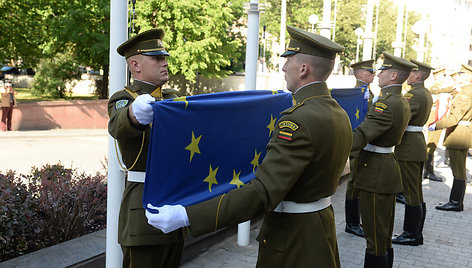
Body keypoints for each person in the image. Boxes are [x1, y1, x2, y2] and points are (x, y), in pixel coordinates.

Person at [145, 26, 352, 268]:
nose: (284, 67)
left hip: (293, 240)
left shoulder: (296, 121)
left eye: (289, 61)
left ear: (303, 69)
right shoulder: (338, 112)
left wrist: (187, 215)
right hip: (319, 229)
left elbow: (263, 191)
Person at [107, 28, 187, 268]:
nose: (165, 62)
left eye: (164, 57)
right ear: (135, 64)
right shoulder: (125, 99)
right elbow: (118, 126)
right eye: (157, 58)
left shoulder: (174, 98)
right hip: (144, 210)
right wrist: (134, 115)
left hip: (176, 206)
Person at [351, 52, 414, 267]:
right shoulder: (399, 100)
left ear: (394, 75)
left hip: (376, 174)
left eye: (383, 71)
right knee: (384, 237)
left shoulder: (385, 104)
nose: (378, 74)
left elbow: (360, 136)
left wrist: (331, 141)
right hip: (384, 170)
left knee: (375, 238)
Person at [391, 59, 433, 246]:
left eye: (410, 73)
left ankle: (411, 234)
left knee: (411, 192)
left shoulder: (414, 95)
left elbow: (402, 116)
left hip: (409, 148)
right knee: (415, 191)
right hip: (415, 145)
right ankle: (416, 233)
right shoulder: (424, 92)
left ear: (417, 75)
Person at [430, 64, 472, 212]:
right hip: (462, 132)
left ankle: (455, 202)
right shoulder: (464, 91)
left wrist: (436, 125)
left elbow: (455, 117)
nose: (457, 76)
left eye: (461, 74)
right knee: (459, 170)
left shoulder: (467, 92)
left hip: (458, 134)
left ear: (467, 76)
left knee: (458, 171)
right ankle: (456, 201)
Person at [344, 59, 376, 238]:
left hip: (364, 143)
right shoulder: (357, 92)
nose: (373, 74)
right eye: (370, 72)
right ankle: (352, 223)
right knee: (354, 183)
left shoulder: (366, 91)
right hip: (358, 144)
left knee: (359, 182)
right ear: (361, 74)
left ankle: (355, 221)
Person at [424, 68, 454, 181]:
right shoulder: (434, 86)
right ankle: (428, 170)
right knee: (431, 145)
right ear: (437, 76)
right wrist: (451, 88)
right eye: (443, 75)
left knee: (433, 145)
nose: (444, 77)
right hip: (434, 117)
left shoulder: (441, 87)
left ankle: (427, 169)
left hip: (438, 116)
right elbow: (435, 91)